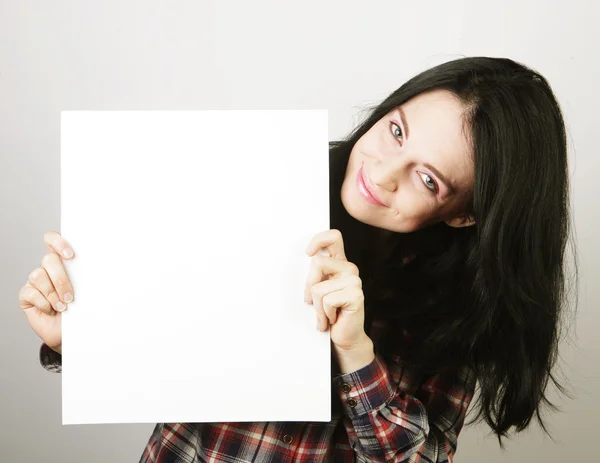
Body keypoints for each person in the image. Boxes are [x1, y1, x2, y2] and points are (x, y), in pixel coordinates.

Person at [20, 56, 576, 463]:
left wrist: (356, 352)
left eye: (427, 179)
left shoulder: (461, 311)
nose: (383, 174)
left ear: (463, 215)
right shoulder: (264, 183)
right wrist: (77, 334)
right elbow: (172, 338)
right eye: (396, 130)